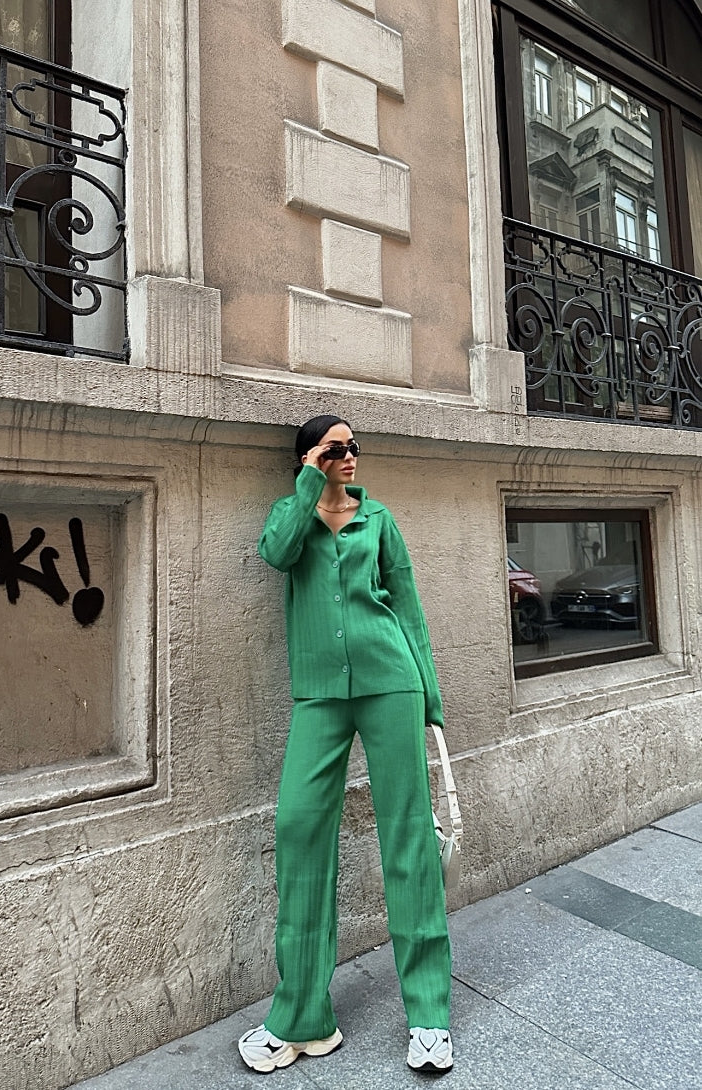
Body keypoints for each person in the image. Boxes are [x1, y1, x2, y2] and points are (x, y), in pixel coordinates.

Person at [238, 414, 453, 1075]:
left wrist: (431, 701)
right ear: (309, 457)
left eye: (354, 446)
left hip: (392, 682)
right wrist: (310, 481)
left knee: (408, 836)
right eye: (336, 447)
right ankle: (303, 1018)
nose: (350, 456)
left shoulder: (380, 519)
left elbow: (408, 609)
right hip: (319, 694)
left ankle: (429, 1016)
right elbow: (276, 553)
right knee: (299, 828)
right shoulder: (291, 516)